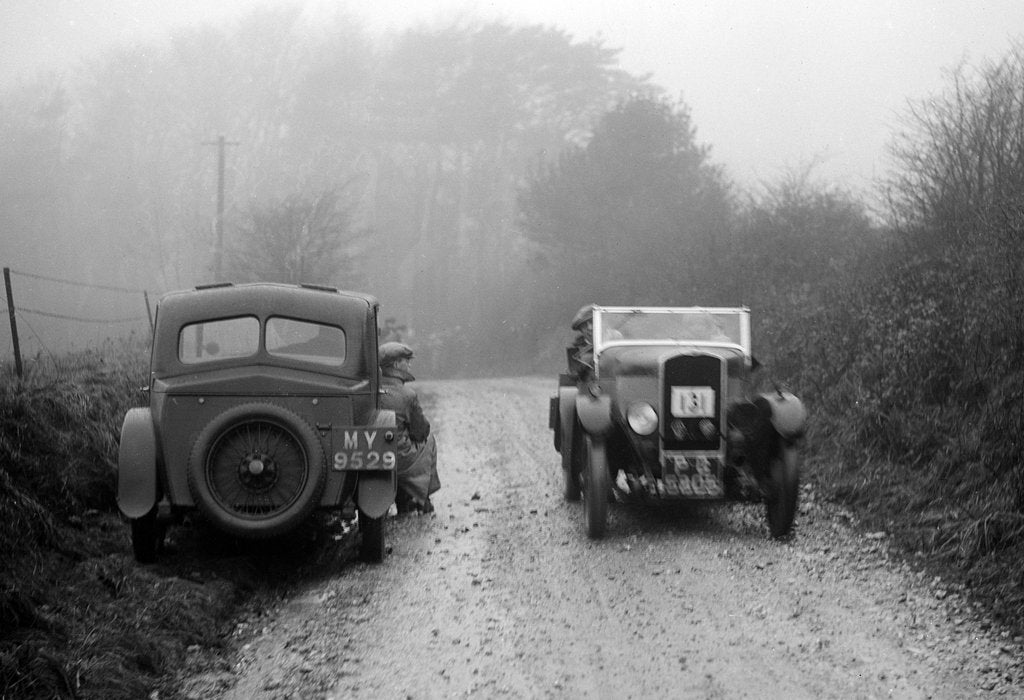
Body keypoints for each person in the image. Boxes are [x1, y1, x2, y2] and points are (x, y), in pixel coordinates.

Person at [378, 341, 440, 514]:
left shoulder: (369, 390)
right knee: (429, 441)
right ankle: (422, 498)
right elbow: (421, 431)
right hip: (398, 457)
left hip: (372, 452)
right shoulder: (407, 395)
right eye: (407, 360)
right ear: (397, 364)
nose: (409, 364)